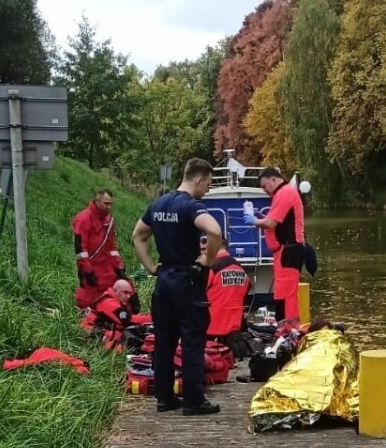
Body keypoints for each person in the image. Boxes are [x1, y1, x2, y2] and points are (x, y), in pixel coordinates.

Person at [132, 158, 224, 415]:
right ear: (198, 178)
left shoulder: (158, 204)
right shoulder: (190, 206)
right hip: (188, 280)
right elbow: (214, 231)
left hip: (164, 281)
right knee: (193, 339)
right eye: (208, 183)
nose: (207, 189)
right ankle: (194, 400)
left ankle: (164, 398)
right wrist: (209, 258)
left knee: (164, 341)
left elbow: (137, 236)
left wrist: (150, 266)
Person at [254, 166, 305, 322]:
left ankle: (289, 330)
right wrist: (261, 218)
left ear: (273, 179)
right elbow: (277, 222)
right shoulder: (283, 194)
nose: (264, 191)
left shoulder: (285, 193)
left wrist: (254, 221)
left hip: (288, 250)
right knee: (281, 294)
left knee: (287, 295)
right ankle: (283, 326)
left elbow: (270, 223)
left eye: (264, 186)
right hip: (284, 251)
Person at [72, 188, 127, 309]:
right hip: (91, 266)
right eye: (106, 203)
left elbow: (112, 246)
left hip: (106, 266)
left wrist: (119, 265)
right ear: (97, 201)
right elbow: (81, 249)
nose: (109, 207)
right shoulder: (83, 219)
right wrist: (87, 270)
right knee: (88, 299)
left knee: (113, 297)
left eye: (111, 204)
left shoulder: (109, 220)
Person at [202, 242, 251, 349]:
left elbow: (199, 290)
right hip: (234, 324)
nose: (205, 251)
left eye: (206, 248)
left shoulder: (213, 267)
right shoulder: (239, 267)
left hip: (212, 324)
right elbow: (247, 288)